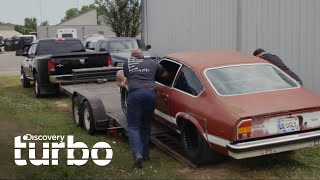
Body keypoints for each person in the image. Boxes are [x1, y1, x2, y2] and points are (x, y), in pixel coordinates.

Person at [123, 49, 169, 169]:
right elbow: (165, 75)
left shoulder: (127, 63)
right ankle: (145, 155)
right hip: (150, 93)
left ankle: (137, 154)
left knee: (133, 126)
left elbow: (128, 78)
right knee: (145, 125)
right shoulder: (152, 63)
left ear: (132, 57)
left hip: (135, 93)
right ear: (142, 55)